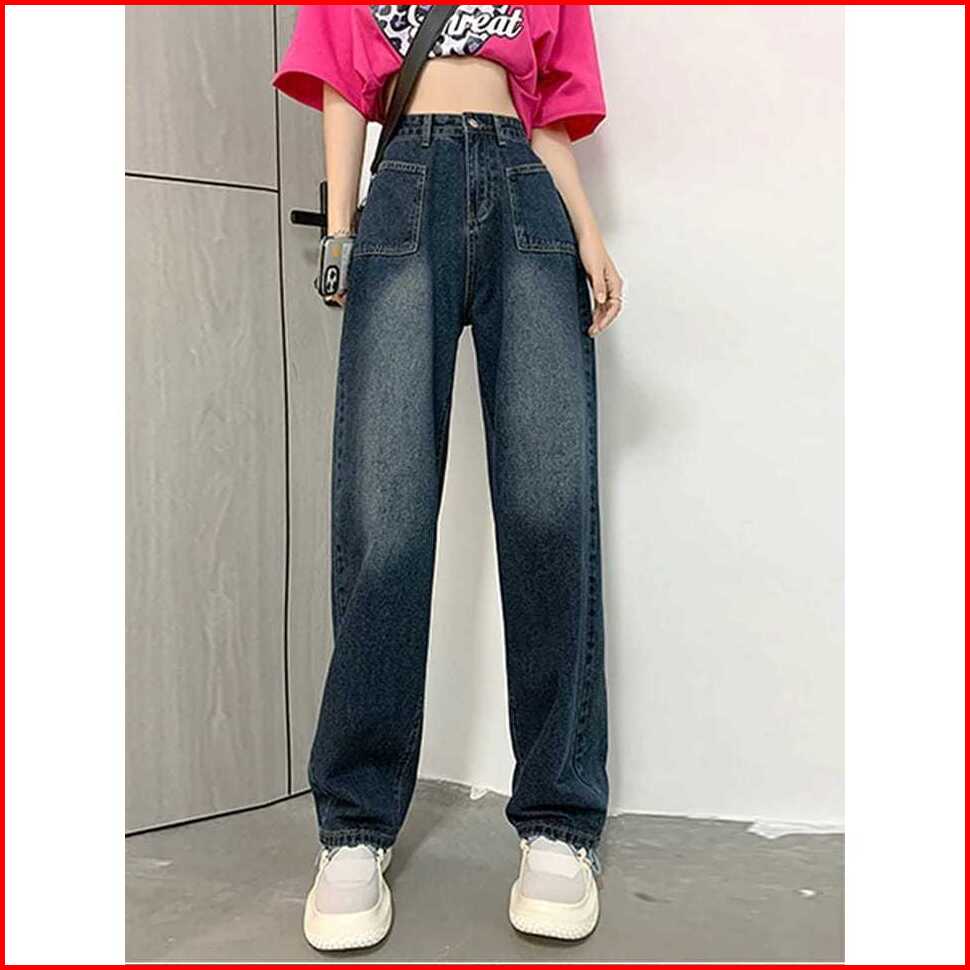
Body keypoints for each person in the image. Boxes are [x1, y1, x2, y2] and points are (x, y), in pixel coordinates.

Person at [274, 3, 623, 950]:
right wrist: (340, 233)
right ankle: (354, 828)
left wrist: (589, 232)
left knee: (548, 509)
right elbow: (343, 84)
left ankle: (559, 822)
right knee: (384, 516)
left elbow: (547, 116)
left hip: (526, 191)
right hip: (403, 190)